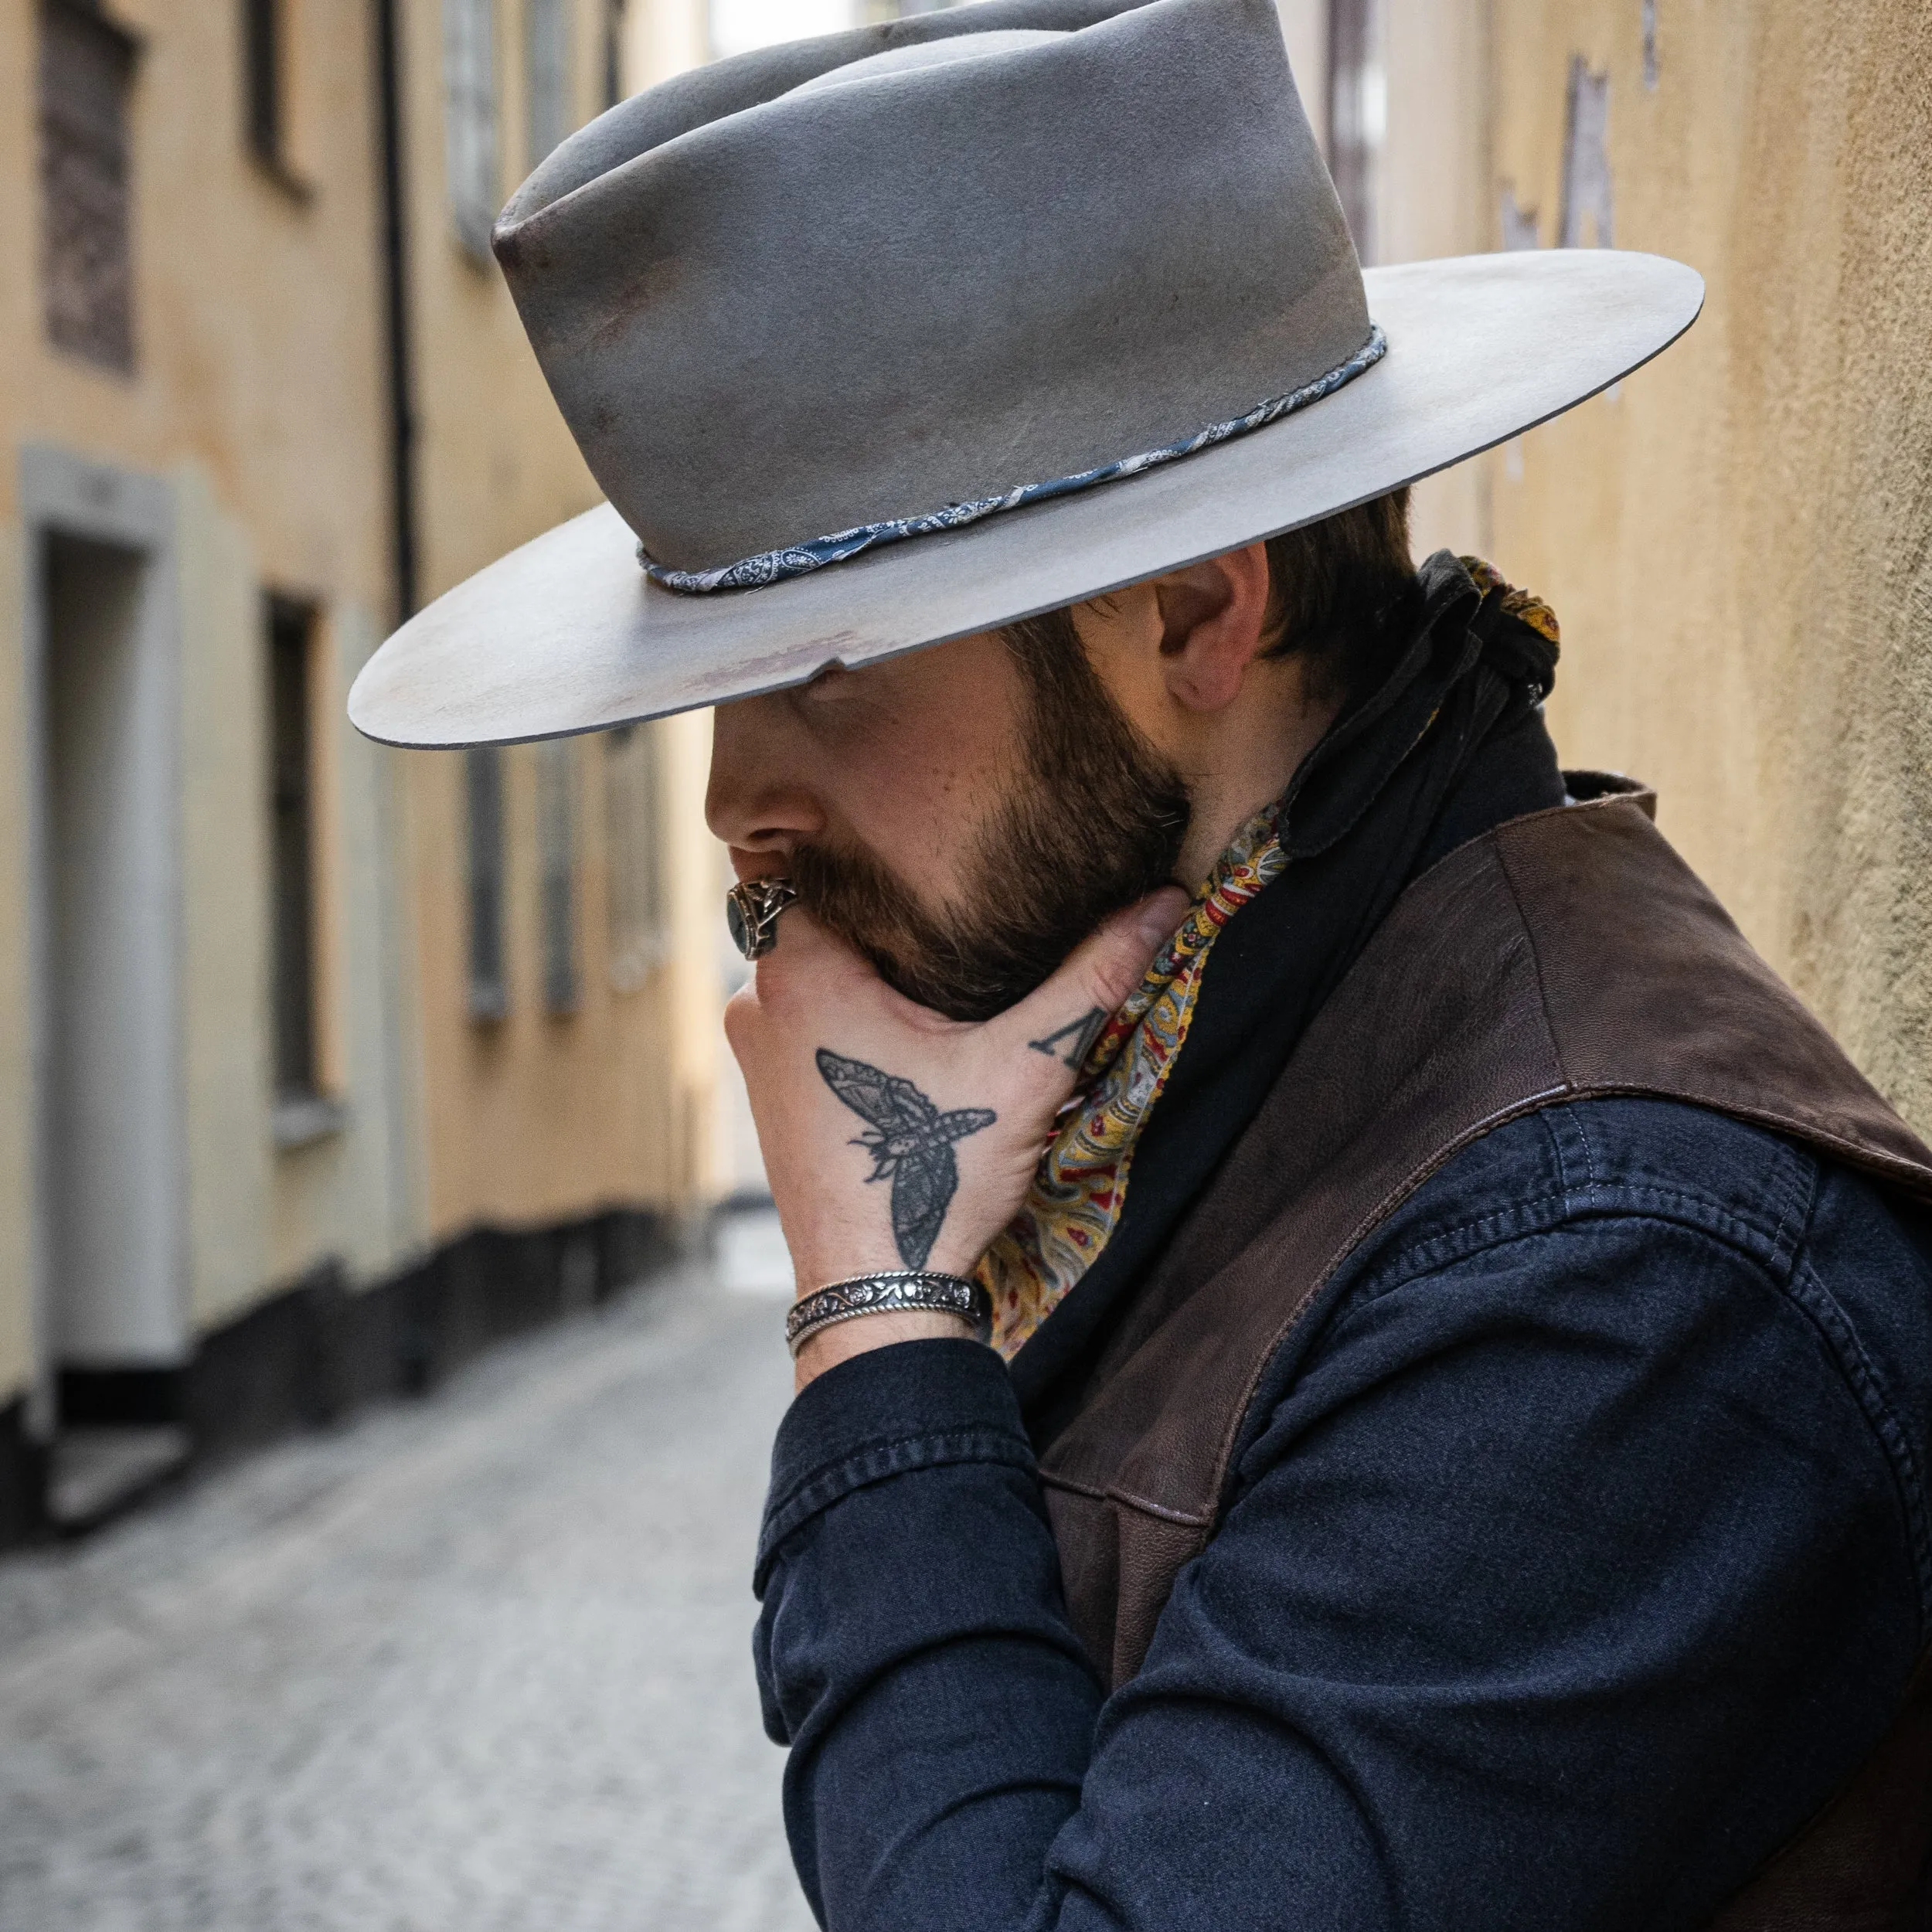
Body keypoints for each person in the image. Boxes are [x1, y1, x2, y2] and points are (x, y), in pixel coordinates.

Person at [349, 0, 1932, 1924]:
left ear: (1194, 608)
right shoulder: (1182, 1062)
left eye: (821, 679)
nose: (732, 808)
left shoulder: (1605, 1266)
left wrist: (874, 1304)